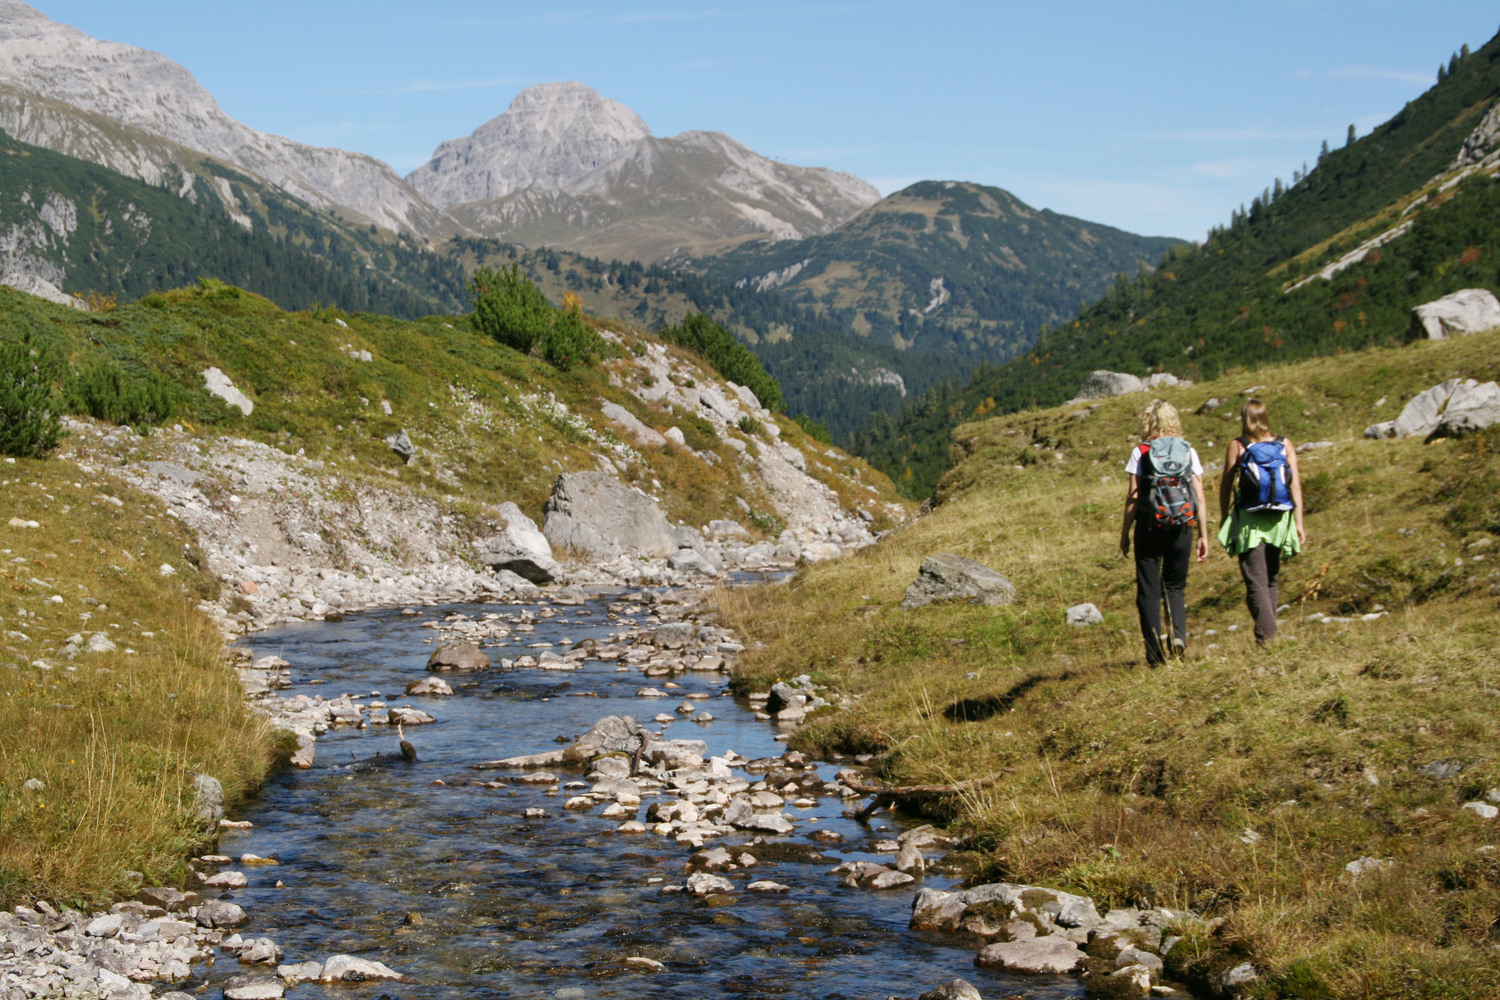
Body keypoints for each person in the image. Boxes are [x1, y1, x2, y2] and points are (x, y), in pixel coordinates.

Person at [1119, 399, 1210, 665]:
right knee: (1174, 586)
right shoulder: (1188, 451)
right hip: (1182, 525)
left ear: (1148, 423)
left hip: (1149, 526)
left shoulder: (1141, 452)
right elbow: (1200, 496)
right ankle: (1178, 635)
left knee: (1148, 590)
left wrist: (1125, 533)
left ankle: (1155, 653)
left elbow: (1133, 497)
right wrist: (1203, 534)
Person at [1217, 399, 1305, 644]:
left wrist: (1224, 516)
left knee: (1255, 581)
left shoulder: (1238, 445)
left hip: (1250, 520)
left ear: (1244, 418)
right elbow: (1295, 485)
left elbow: (1226, 485)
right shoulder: (1284, 443)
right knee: (1270, 579)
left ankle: (1267, 639)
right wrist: (1298, 522)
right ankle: (1269, 635)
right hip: (1279, 518)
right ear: (1266, 417)